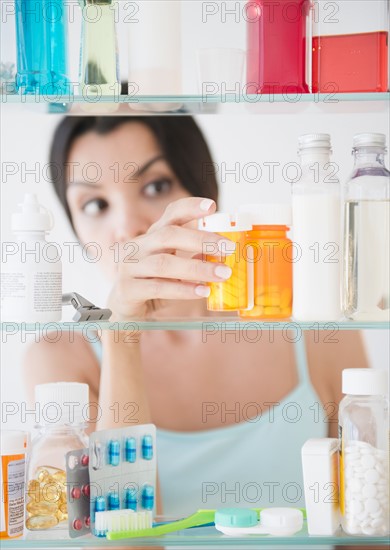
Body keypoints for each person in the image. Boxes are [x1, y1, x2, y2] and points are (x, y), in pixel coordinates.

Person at [23, 116, 368, 515]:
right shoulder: (61, 358)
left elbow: (366, 526)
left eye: (155, 186)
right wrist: (121, 333)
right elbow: (123, 543)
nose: (128, 228)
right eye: (95, 204)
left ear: (204, 195)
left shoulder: (318, 329)